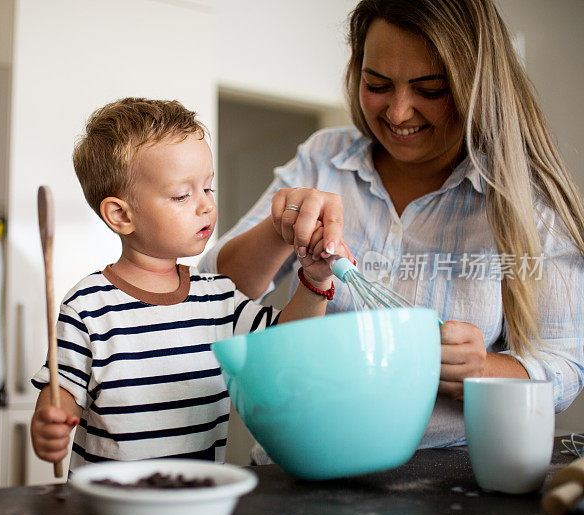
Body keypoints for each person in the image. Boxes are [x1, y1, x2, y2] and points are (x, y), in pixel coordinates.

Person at [201, 0, 584, 461]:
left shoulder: (527, 200)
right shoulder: (325, 158)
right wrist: (277, 229)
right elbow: (215, 290)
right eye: (377, 85)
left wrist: (483, 368)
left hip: (446, 482)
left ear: (477, 86)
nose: (399, 113)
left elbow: (567, 364)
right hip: (302, 470)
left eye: (430, 89)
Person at [29, 97, 347, 473]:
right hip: (108, 508)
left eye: (208, 189)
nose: (206, 206)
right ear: (120, 214)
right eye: (183, 195)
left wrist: (314, 280)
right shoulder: (87, 306)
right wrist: (49, 423)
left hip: (193, 502)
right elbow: (61, 392)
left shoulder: (218, 297)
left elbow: (290, 345)